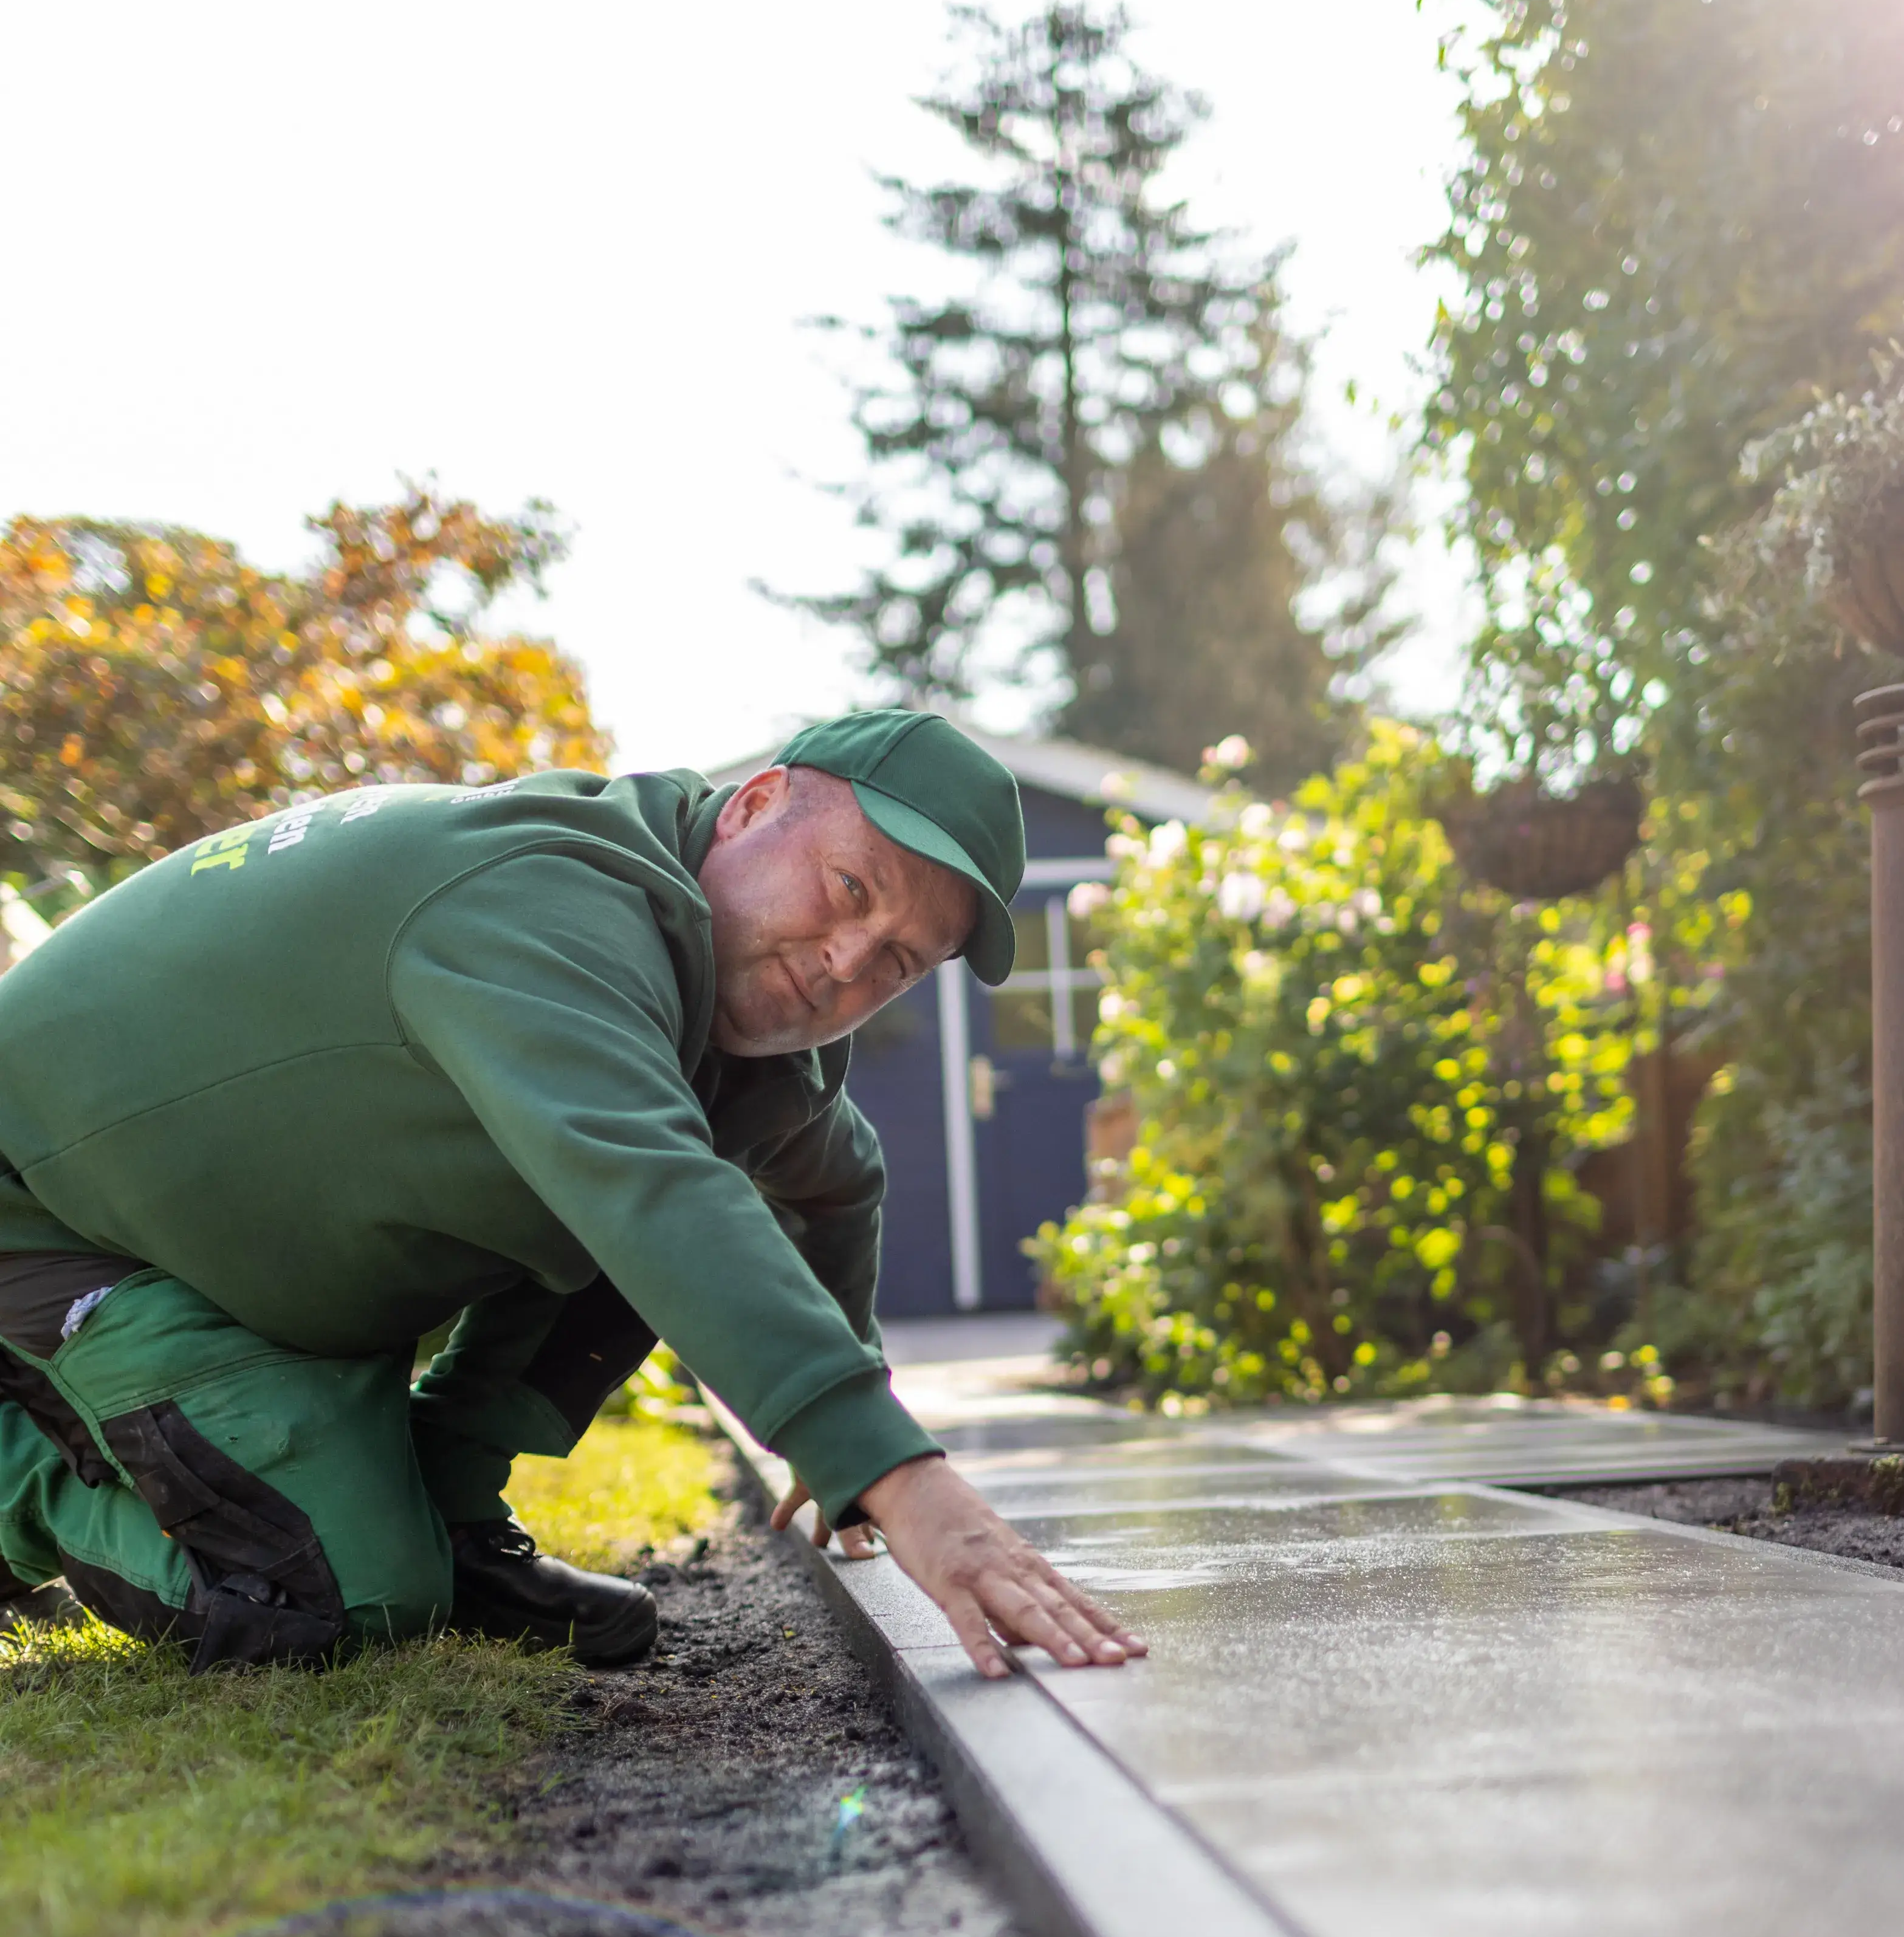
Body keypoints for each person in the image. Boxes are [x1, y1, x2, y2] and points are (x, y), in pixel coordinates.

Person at [0, 708, 1142, 1682]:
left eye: (897, 962)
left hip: (234, 1266)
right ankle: (17, 1475)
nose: (849, 964)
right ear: (754, 807)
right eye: (849, 890)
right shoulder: (543, 901)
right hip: (54, 1218)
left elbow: (841, 1179)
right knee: (341, 1597)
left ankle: (449, 1503)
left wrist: (842, 1424)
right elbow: (648, 1181)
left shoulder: (741, 1033)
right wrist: (901, 1478)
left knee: (692, 1163)